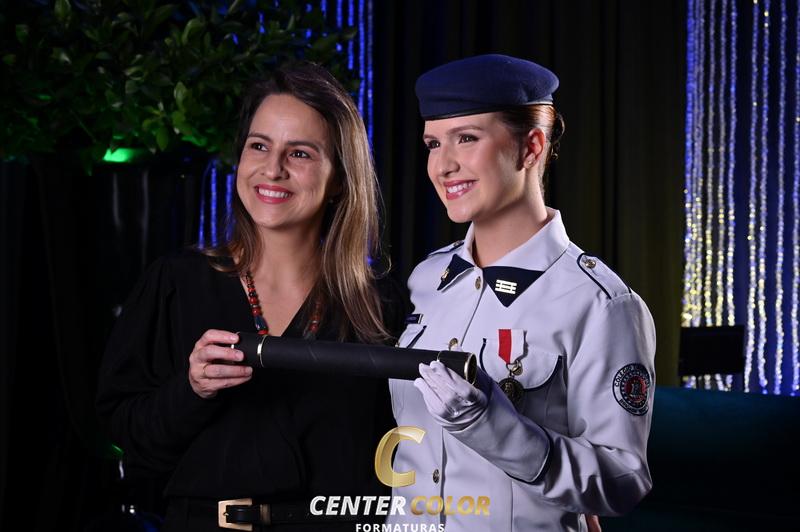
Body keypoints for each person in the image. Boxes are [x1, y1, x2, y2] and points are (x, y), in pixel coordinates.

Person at [97, 62, 407, 531]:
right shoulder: (176, 282)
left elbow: (408, 458)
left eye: (299, 153)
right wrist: (192, 390)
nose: (273, 169)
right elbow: (127, 435)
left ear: (341, 178)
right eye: (259, 146)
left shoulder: (381, 307)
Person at [387, 54, 656, 531]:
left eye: (467, 138)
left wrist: (491, 427)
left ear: (531, 147)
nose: (443, 165)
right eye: (433, 144)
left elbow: (622, 481)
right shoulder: (426, 279)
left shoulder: (600, 303)